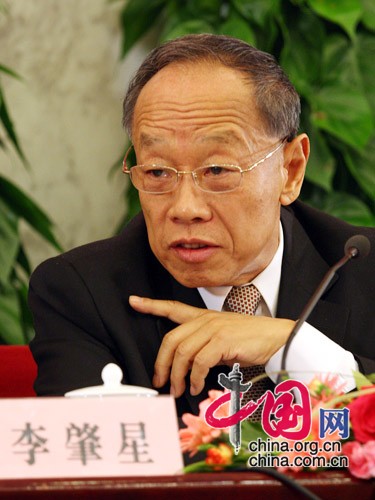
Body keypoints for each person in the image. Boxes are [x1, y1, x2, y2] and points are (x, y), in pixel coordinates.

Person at [28, 34, 375, 417]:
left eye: (217, 170)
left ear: (290, 171)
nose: (185, 208)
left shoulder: (364, 271)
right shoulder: (82, 295)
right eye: (158, 171)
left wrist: (291, 347)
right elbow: (93, 456)